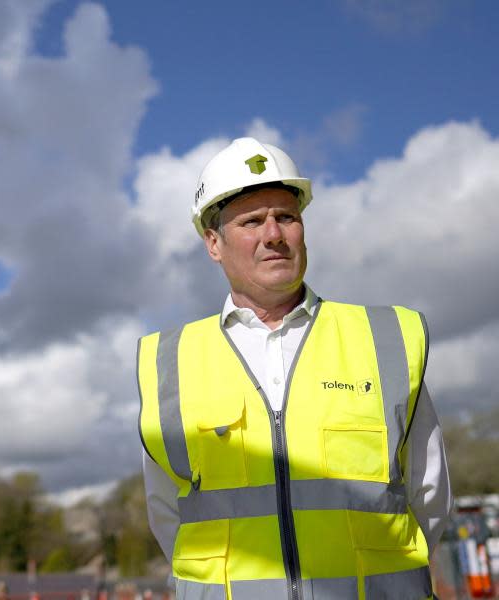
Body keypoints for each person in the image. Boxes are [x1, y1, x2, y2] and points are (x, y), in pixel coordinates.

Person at [138, 137, 452, 599]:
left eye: (286, 216)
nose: (273, 235)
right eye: (250, 221)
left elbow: (430, 496)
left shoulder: (385, 340)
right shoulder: (170, 362)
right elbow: (168, 513)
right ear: (213, 243)